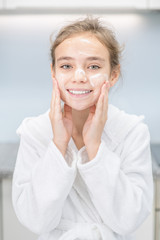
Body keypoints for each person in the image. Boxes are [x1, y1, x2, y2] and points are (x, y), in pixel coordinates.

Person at [12, 16, 153, 240]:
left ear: (113, 74)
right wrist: (58, 145)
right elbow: (35, 220)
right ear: (53, 72)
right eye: (66, 66)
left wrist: (95, 147)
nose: (79, 77)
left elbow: (128, 220)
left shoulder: (132, 131)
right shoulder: (35, 132)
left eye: (93, 66)